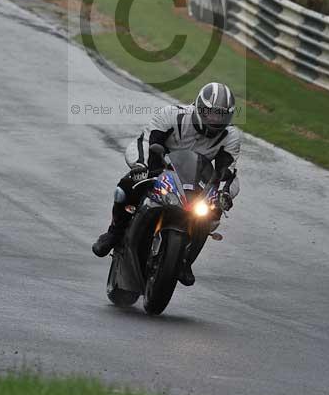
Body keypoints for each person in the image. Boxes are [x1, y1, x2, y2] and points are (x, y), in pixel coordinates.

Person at [92, 82, 240, 286]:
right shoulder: (173, 115)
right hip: (158, 166)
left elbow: (228, 170)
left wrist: (224, 194)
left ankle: (186, 259)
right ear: (198, 107)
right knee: (128, 185)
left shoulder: (230, 136)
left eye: (221, 115)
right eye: (210, 113)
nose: (215, 119)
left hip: (194, 182)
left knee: (212, 211)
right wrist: (142, 166)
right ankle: (114, 233)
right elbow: (147, 141)